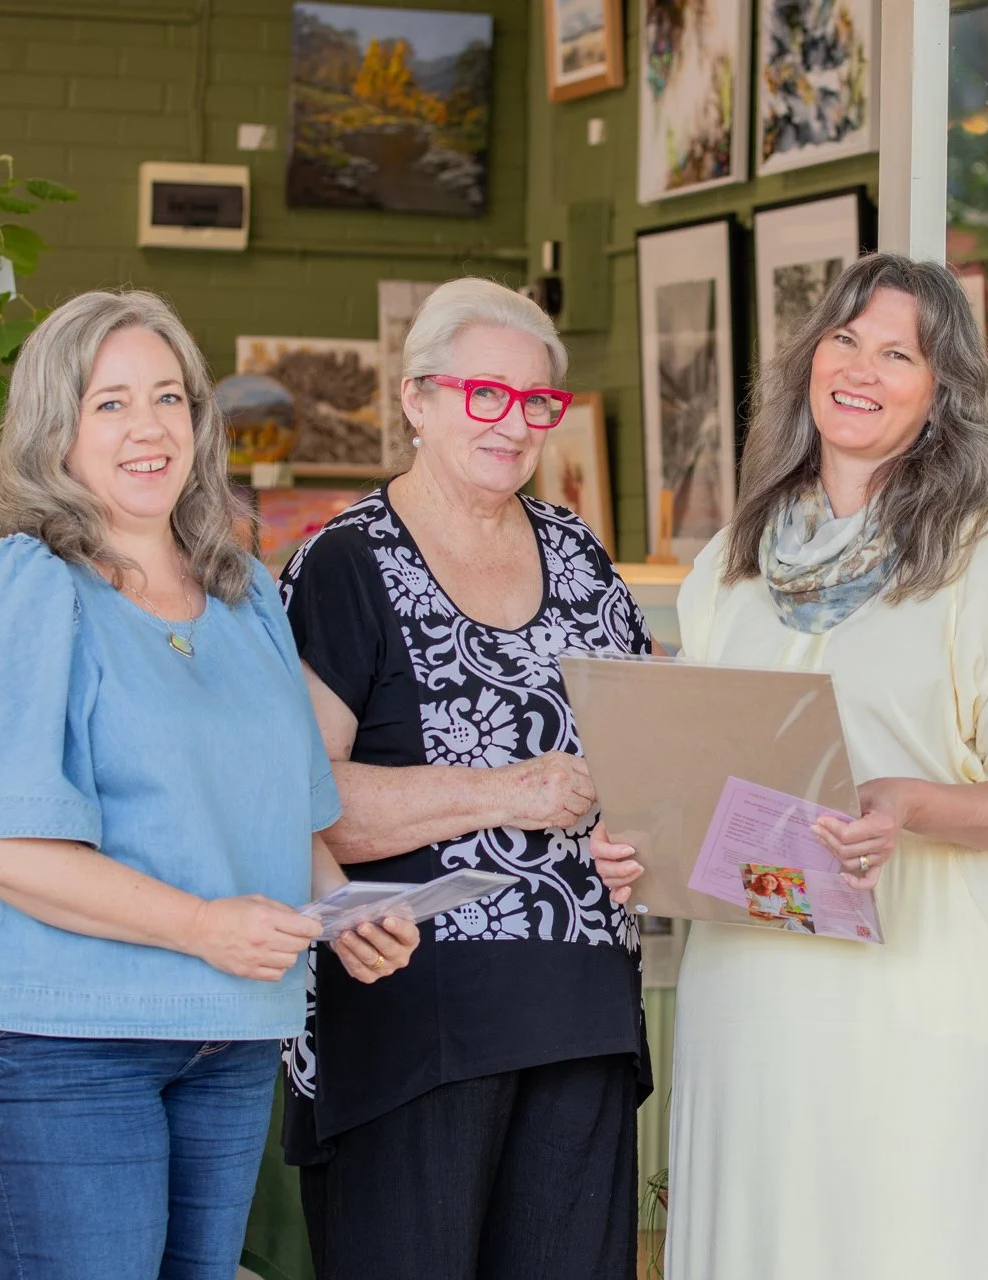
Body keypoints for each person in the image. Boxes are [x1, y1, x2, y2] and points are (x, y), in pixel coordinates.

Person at [0, 289, 419, 1280]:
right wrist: (203, 925)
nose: (148, 426)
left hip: (224, 1035)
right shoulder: (18, 586)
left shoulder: (246, 600)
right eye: (109, 402)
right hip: (53, 1040)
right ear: (53, 430)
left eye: (169, 396)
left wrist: (348, 907)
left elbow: (290, 815)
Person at [594, 253, 988, 1279]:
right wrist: (642, 836)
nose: (859, 368)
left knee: (901, 1239)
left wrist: (907, 803)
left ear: (944, 392)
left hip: (918, 989)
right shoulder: (732, 561)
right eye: (844, 338)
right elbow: (701, 765)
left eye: (898, 352)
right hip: (753, 986)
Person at [277, 277, 654, 1279]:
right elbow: (298, 797)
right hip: (411, 1014)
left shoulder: (581, 558)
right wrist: (508, 791)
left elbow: (643, 760)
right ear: (417, 398)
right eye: (485, 392)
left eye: (537, 401)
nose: (514, 421)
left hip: (578, 1005)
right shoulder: (347, 563)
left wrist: (638, 832)